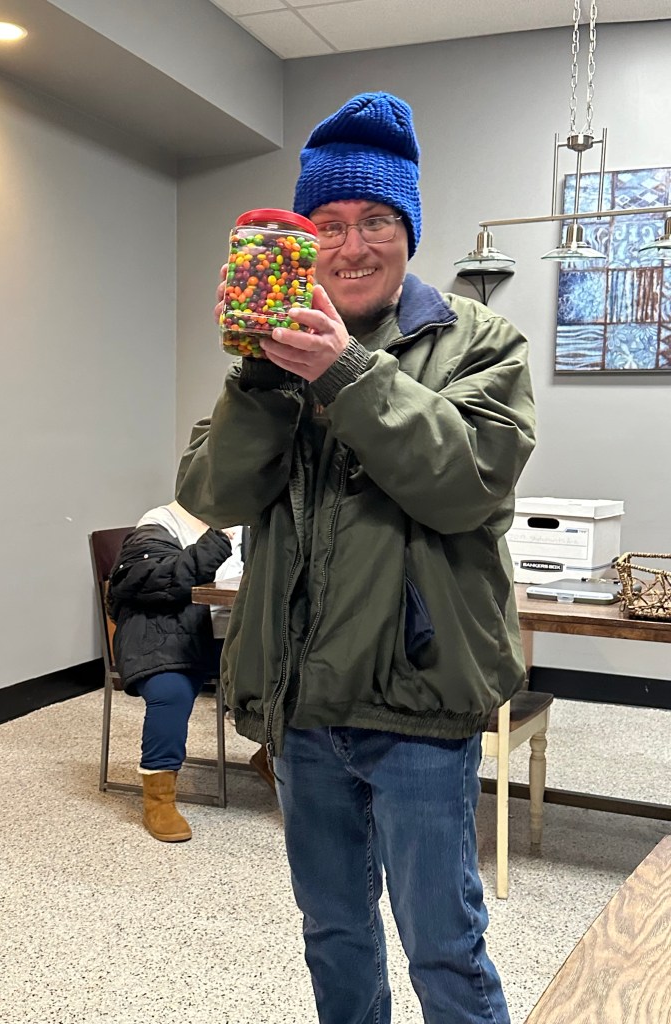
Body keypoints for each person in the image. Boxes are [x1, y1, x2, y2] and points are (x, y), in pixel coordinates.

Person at [176, 91, 536, 1023]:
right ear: (304, 242)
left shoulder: (480, 342)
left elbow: (467, 482)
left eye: (376, 219)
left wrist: (344, 372)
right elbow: (213, 493)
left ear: (409, 229)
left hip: (419, 700)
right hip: (302, 704)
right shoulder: (274, 354)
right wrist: (260, 378)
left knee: (444, 945)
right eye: (328, 225)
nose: (353, 246)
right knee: (333, 931)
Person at [107, 500, 242, 842]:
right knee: (171, 691)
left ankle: (269, 760)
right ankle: (159, 797)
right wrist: (219, 541)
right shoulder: (160, 522)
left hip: (230, 632)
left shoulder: (252, 523)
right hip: (163, 632)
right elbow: (157, 579)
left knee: (293, 675)